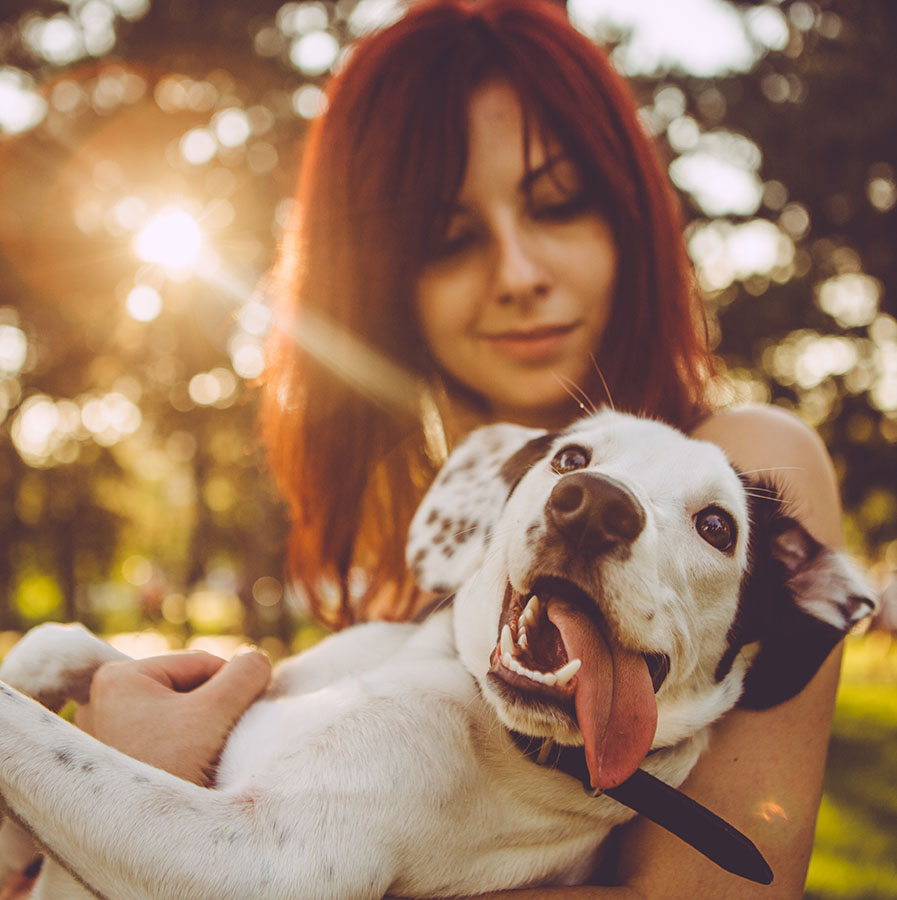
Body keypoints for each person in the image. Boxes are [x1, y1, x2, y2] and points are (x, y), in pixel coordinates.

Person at [66, 0, 847, 897]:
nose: (519, 274)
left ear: (628, 216)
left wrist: (152, 817)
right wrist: (128, 770)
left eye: (558, 205)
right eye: (451, 238)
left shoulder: (747, 475)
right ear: (379, 280)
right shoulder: (426, 542)